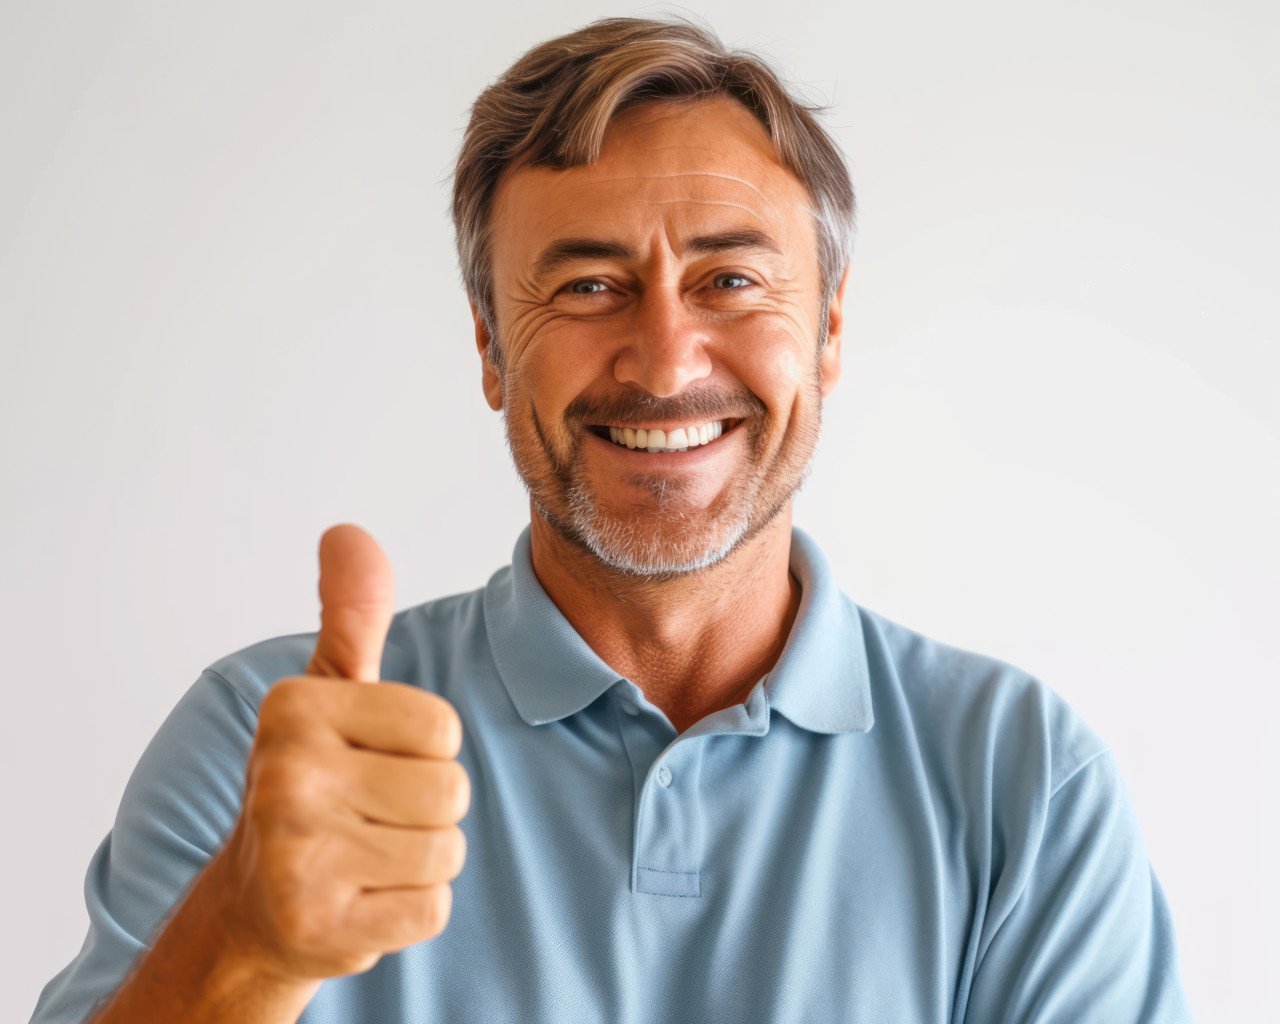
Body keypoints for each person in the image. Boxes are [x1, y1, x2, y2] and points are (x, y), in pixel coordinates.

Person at [31, 16, 1192, 1024]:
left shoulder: (1020, 782)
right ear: (491, 349)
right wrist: (242, 951)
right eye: (586, 285)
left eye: (729, 280)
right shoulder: (271, 743)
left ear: (828, 332)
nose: (663, 359)